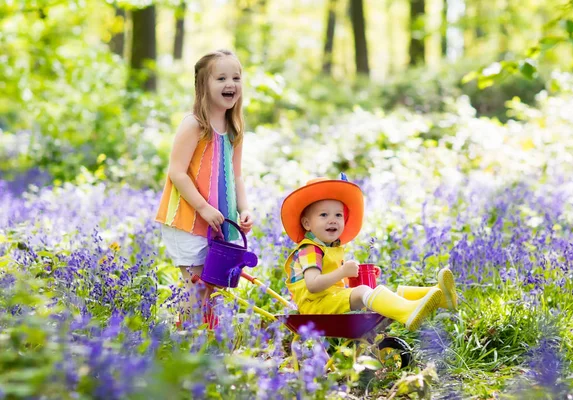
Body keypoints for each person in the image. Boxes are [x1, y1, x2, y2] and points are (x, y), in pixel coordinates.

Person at [280, 176, 457, 331]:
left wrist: (359, 275)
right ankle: (407, 312)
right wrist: (343, 272)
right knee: (364, 292)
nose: (332, 219)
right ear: (307, 224)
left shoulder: (329, 247)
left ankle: (438, 296)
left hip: (329, 299)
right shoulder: (309, 249)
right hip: (315, 307)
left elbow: (335, 282)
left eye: (338, 215)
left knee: (375, 290)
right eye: (324, 215)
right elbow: (313, 285)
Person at [156, 49, 253, 326]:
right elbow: (177, 172)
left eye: (236, 77)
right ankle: (184, 342)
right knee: (196, 284)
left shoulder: (234, 127)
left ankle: (207, 344)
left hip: (219, 222)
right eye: (221, 78)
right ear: (203, 86)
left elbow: (236, 176)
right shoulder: (194, 125)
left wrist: (244, 209)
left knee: (214, 286)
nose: (230, 84)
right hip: (188, 218)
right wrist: (203, 207)